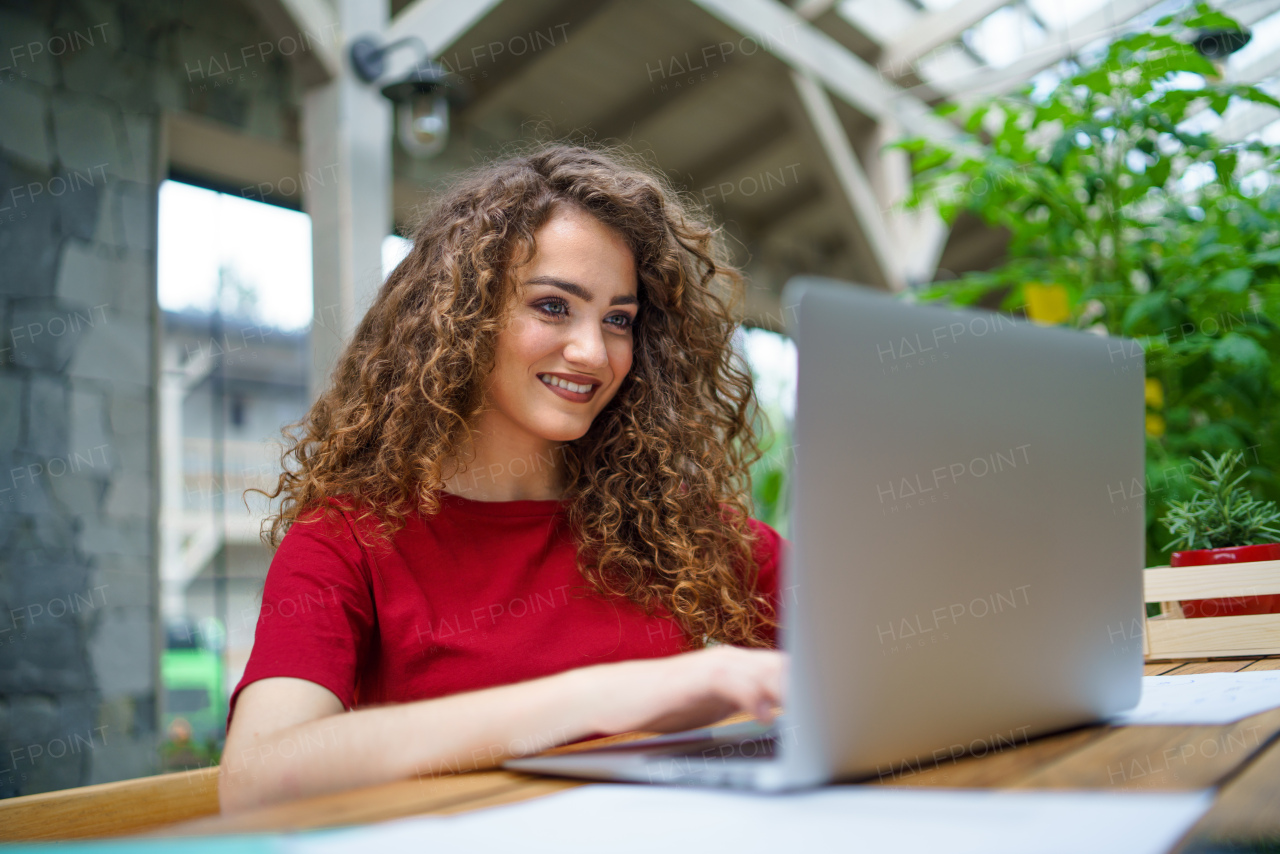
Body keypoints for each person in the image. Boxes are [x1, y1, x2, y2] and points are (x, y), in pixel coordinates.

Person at [220, 143, 789, 814]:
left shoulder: (670, 524)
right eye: (553, 307)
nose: (592, 352)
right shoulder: (346, 540)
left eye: (618, 320)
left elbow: (887, 649)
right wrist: (605, 695)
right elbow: (255, 777)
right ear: (462, 317)